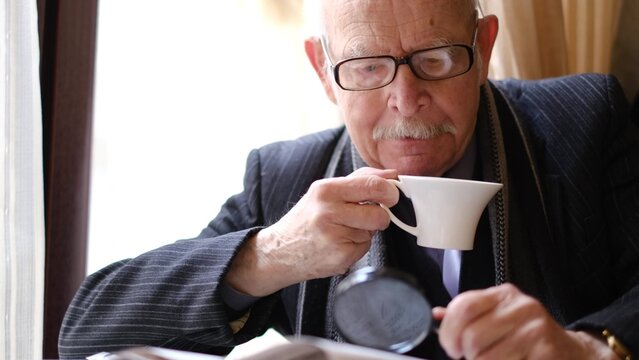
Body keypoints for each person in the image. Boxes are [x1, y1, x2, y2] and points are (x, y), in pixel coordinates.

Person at [59, 0, 639, 359]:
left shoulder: (582, 121)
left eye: (435, 58)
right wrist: (270, 255)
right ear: (324, 72)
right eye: (366, 68)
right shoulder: (285, 179)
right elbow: (86, 328)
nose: (405, 102)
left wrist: (590, 348)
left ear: (483, 48)